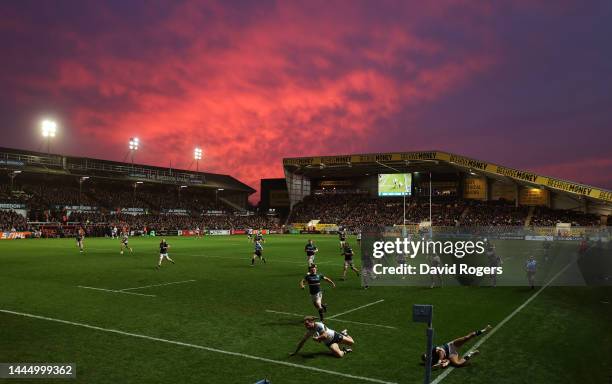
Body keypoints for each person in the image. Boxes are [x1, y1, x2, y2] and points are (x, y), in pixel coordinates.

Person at [422, 325, 492, 369]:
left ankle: (485, 329)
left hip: (450, 346)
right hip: (451, 355)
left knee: (466, 337)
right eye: (427, 359)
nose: (428, 358)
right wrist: (445, 363)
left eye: (427, 356)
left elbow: (441, 352)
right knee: (457, 364)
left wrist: (439, 361)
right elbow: (447, 360)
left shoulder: (432, 349)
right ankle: (471, 354)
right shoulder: (433, 361)